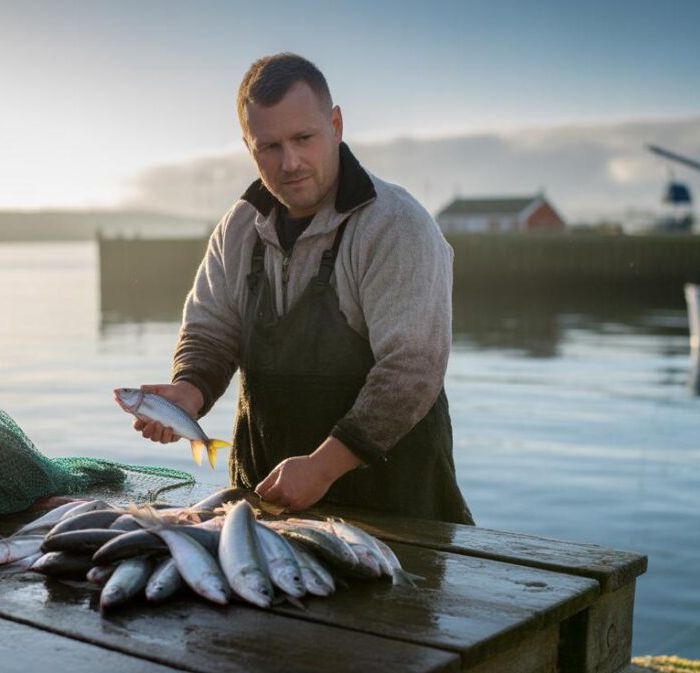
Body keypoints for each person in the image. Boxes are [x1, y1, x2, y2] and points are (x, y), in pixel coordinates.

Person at [132, 53, 473, 522]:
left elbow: (411, 372)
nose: (289, 162)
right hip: (263, 513)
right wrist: (190, 391)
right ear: (249, 147)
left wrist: (322, 467)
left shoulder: (395, 225)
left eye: (304, 138)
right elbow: (210, 332)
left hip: (398, 518)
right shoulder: (238, 228)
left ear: (335, 124)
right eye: (269, 146)